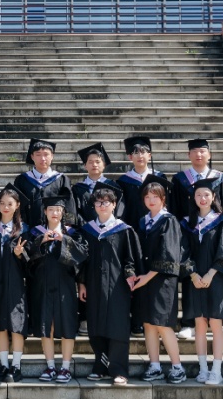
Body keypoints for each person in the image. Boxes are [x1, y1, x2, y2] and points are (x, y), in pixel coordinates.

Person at [170, 137, 223, 341]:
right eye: (195, 151)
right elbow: (174, 210)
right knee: (190, 280)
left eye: (202, 151)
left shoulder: (220, 178)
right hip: (189, 233)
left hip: (215, 235)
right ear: (188, 155)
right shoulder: (180, 180)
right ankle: (189, 323)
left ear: (209, 155)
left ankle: (222, 323)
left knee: (218, 280)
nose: (199, 154)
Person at [77, 182, 141, 386]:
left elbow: (131, 258)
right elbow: (83, 260)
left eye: (106, 202)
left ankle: (119, 370)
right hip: (94, 284)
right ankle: (100, 366)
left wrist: (130, 275)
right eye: (98, 202)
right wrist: (82, 283)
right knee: (95, 325)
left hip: (117, 286)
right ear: (94, 206)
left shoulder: (124, 230)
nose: (102, 205)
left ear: (114, 205)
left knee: (117, 326)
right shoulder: (88, 230)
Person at [181, 180, 223, 386]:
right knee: (199, 324)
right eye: (198, 195)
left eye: (206, 195)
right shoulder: (187, 223)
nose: (202, 199)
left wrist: (210, 274)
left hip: (216, 279)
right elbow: (182, 251)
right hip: (194, 280)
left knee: (216, 324)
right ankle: (203, 368)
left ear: (213, 197)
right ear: (193, 198)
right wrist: (193, 275)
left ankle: (216, 370)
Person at [26, 190, 85, 384]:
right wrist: (40, 242)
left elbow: (82, 257)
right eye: (51, 209)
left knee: (67, 324)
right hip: (42, 285)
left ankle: (65, 368)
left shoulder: (72, 233)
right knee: (46, 325)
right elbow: (27, 258)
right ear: (45, 212)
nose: (54, 213)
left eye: (58, 210)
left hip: (65, 285)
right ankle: (50, 366)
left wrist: (63, 240)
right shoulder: (35, 233)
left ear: (63, 212)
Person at [132, 175, 186, 384]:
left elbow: (168, 253)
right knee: (148, 324)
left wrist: (148, 276)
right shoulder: (143, 221)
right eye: (147, 197)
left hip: (162, 280)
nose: (151, 200)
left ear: (163, 199)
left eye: (155, 196)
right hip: (144, 279)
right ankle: (154, 365)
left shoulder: (169, 221)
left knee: (162, 324)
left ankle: (177, 366)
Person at [72, 141, 122, 336]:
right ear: (85, 165)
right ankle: (85, 318)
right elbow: (74, 212)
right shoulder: (78, 188)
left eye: (98, 161)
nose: (94, 164)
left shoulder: (113, 186)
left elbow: (120, 211)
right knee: (86, 273)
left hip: (108, 235)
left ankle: (110, 316)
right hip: (86, 236)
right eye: (91, 161)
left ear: (104, 164)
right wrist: (88, 227)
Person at [0, 183, 29, 383]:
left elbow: (31, 261)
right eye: (2, 203)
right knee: (0, 324)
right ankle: (3, 364)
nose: (5, 207)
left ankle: (16, 366)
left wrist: (20, 254)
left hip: (16, 283)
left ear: (17, 205)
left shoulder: (24, 230)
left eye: (10, 203)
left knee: (16, 324)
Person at [13, 138, 75, 229]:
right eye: (38, 155)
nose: (42, 158)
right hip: (28, 228)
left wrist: (68, 225)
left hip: (55, 230)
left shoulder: (61, 179)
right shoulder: (22, 180)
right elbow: (16, 204)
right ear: (32, 157)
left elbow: (69, 204)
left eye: (46, 154)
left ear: (52, 156)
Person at [116, 135, 165, 229]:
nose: (140, 156)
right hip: (132, 225)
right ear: (130, 157)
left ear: (149, 155)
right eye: (136, 152)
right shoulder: (123, 181)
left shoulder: (159, 178)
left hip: (157, 226)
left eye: (143, 152)